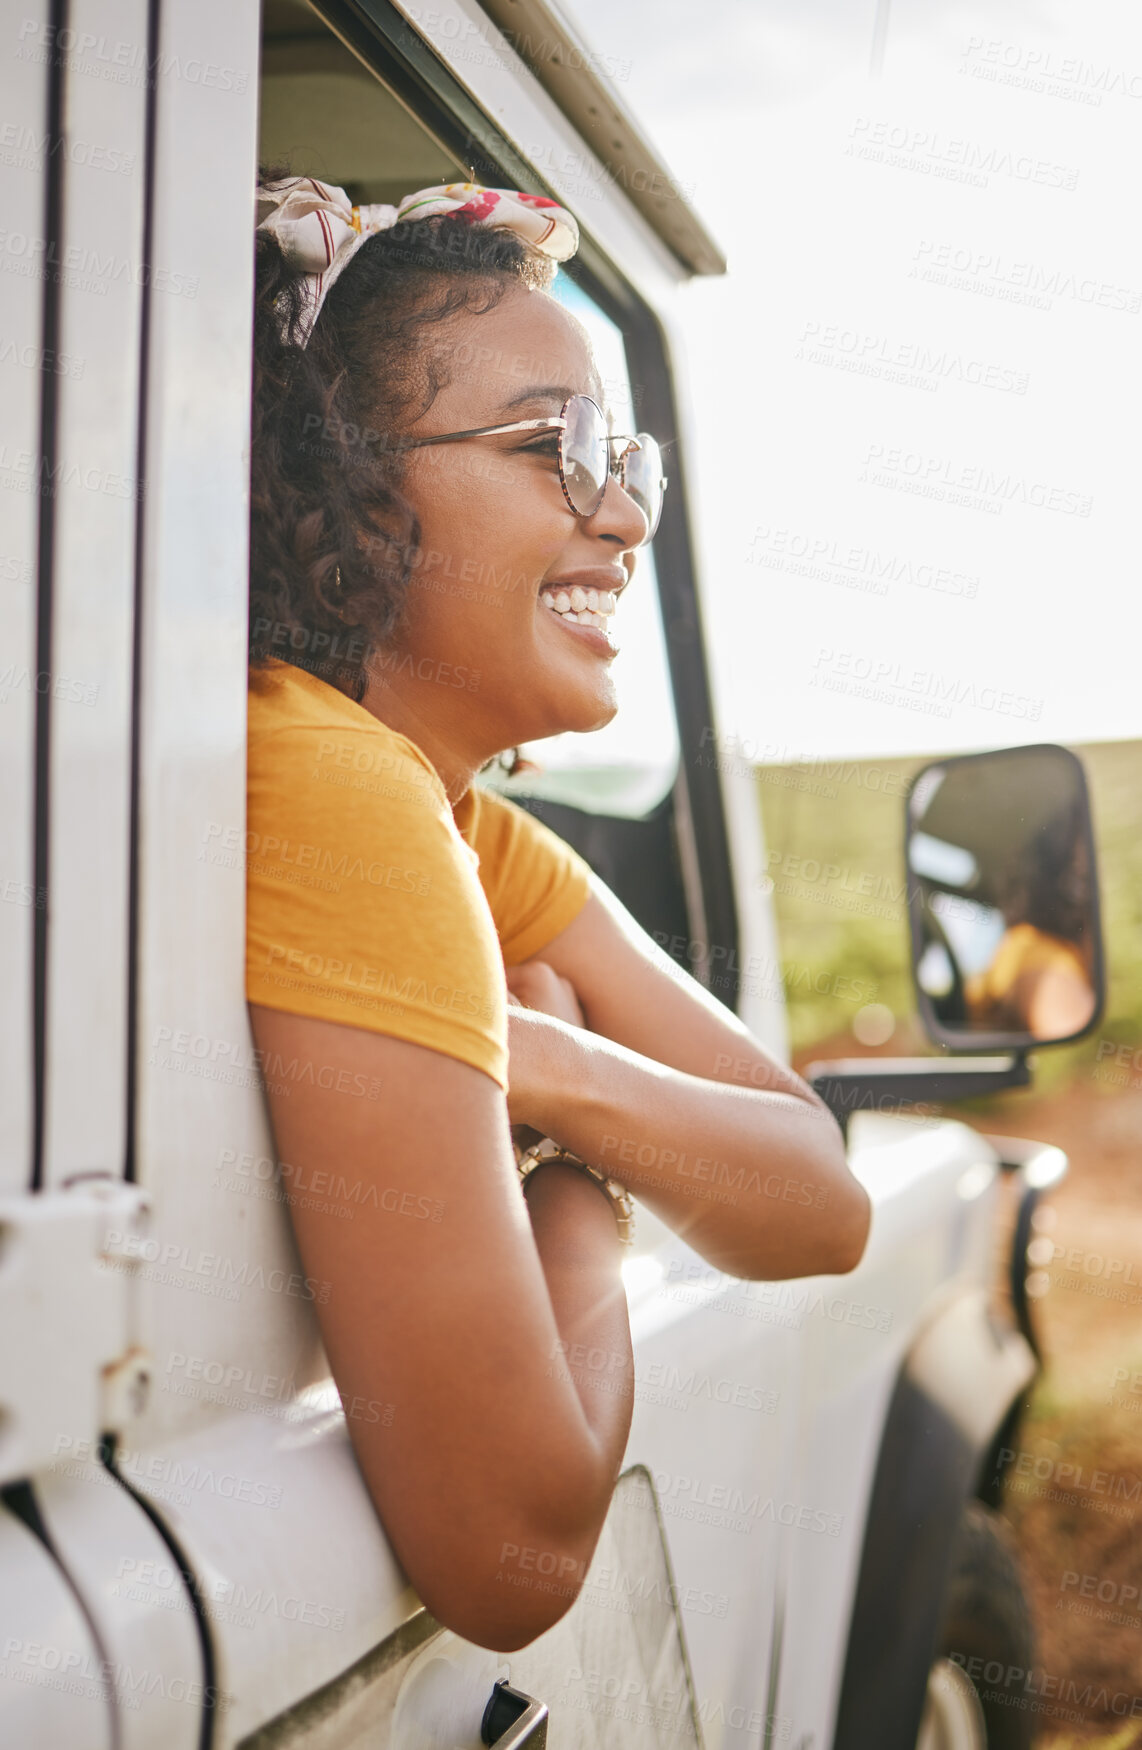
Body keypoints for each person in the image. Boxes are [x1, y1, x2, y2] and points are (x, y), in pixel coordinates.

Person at [246, 175, 870, 1653]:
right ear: (333, 484)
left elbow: (820, 1199)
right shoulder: (336, 787)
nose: (627, 509)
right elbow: (517, 1552)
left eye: (624, 449)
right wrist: (568, 1175)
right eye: (554, 447)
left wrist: (556, 1070)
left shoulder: (445, 808)